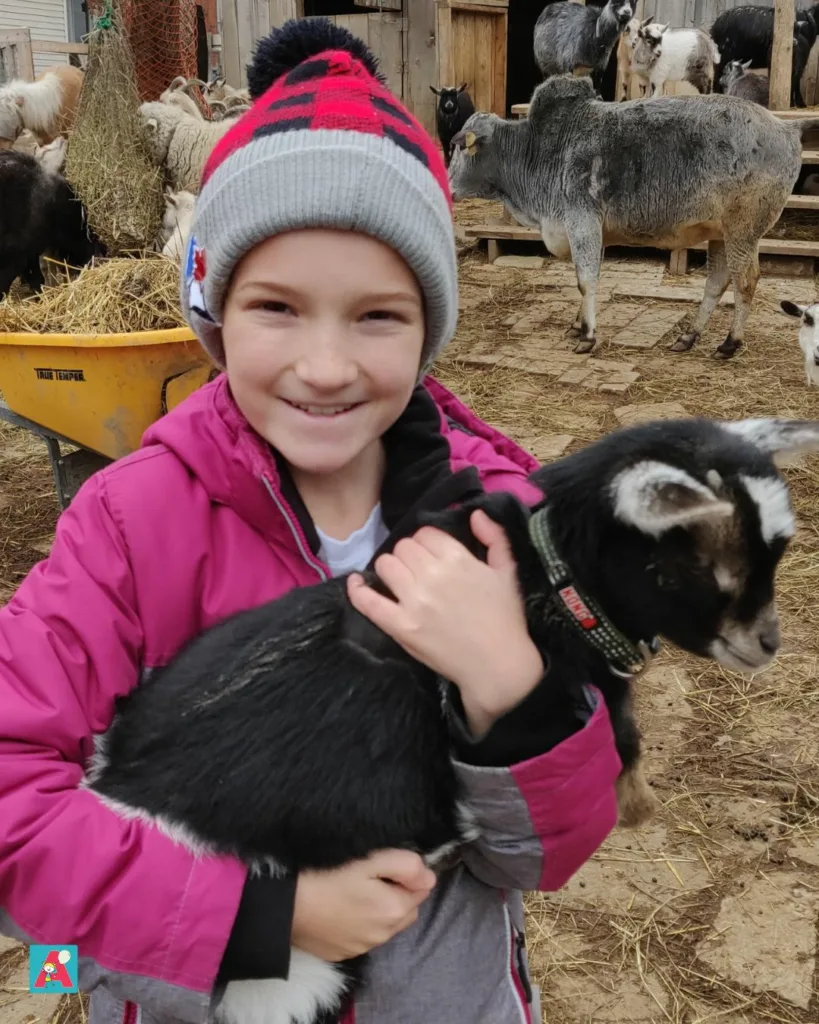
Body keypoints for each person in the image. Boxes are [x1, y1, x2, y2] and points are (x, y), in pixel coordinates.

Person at [0, 18, 622, 1024]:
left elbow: (545, 854)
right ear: (212, 308)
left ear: (430, 328)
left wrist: (516, 693)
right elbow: (11, 804)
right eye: (277, 307)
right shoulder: (128, 526)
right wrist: (263, 914)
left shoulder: (508, 522)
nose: (326, 366)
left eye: (378, 315)